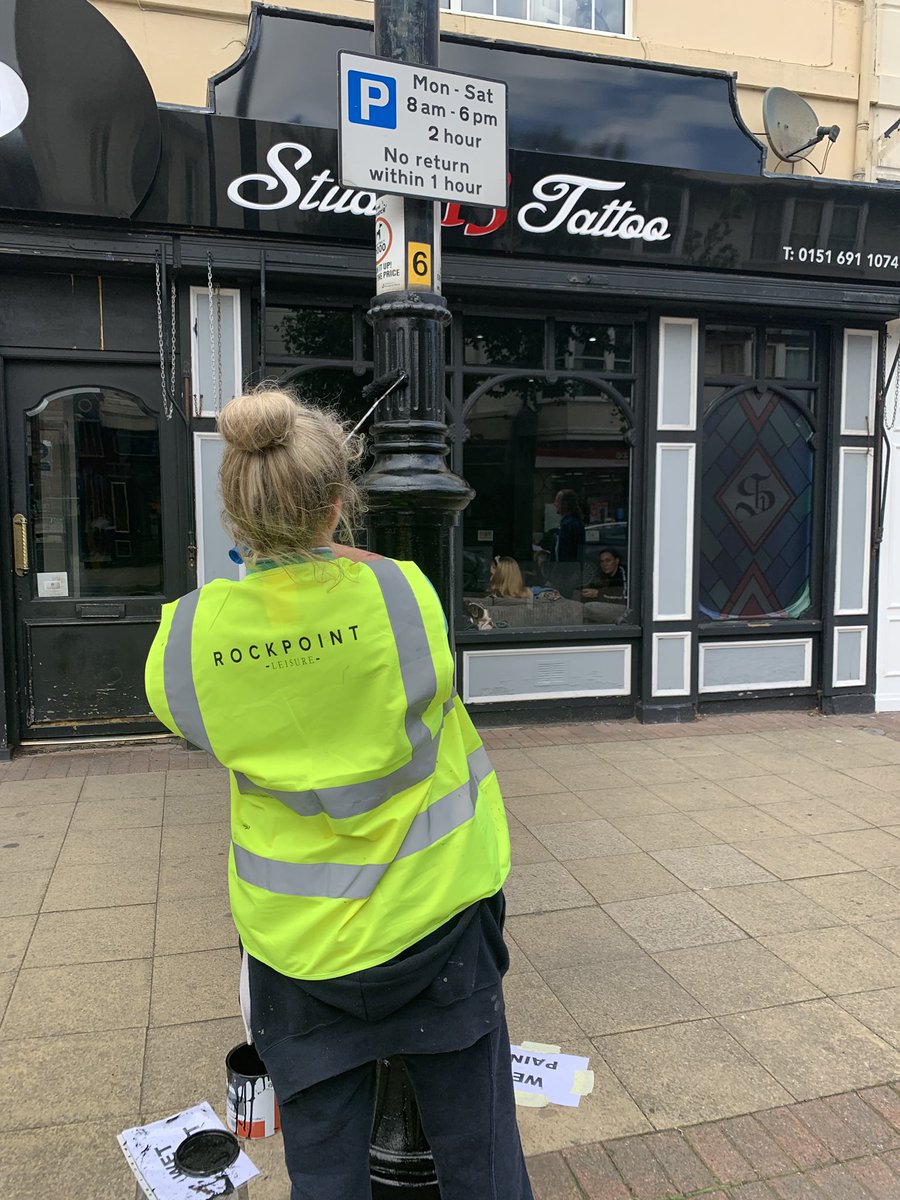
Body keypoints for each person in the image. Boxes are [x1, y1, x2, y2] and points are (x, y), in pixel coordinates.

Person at [144, 389, 532, 1200]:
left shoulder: (186, 640)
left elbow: (201, 717)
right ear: (336, 505)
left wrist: (268, 559)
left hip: (297, 948)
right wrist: (317, 545)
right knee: (483, 1161)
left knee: (323, 1172)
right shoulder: (402, 597)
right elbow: (375, 574)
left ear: (233, 512)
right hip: (436, 921)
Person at [489, 555, 559, 601]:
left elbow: (553, 594)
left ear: (501, 577)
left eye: (492, 575)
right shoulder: (529, 594)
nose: (490, 579)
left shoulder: (530, 593)